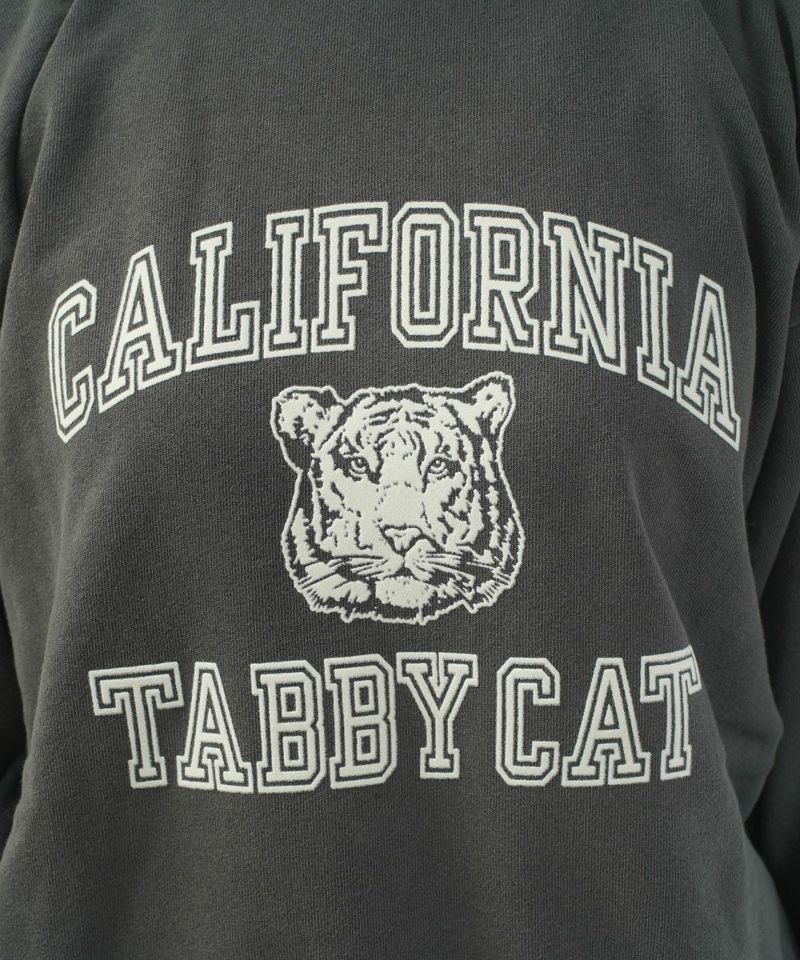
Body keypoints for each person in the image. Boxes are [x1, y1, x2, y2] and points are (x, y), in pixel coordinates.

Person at [0, 1, 798, 957]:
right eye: (360, 474)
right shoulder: (45, 36)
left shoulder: (742, 36)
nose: (404, 519)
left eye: (440, 478)